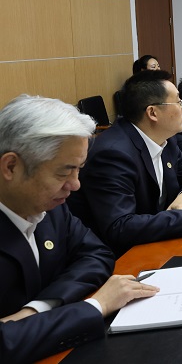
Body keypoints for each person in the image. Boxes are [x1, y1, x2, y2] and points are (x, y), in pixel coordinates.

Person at [0, 95, 158, 363]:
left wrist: (38, 309)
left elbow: (96, 254)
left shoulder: (49, 204)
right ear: (11, 166)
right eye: (64, 173)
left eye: (79, 170)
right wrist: (96, 306)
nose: (75, 185)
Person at [68, 70, 182, 256]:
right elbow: (121, 227)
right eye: (178, 102)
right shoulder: (113, 154)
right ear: (152, 112)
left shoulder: (166, 140)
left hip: (159, 241)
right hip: (123, 257)